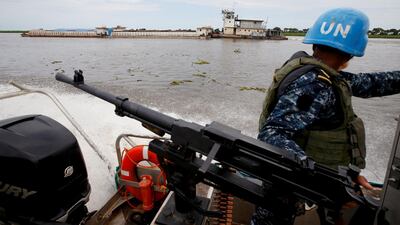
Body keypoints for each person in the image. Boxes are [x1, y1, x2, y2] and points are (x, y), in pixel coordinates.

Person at [252, 8, 400, 225]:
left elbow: (368, 83)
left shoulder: (318, 74)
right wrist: (326, 181)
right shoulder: (315, 84)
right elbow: (272, 133)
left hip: (297, 178)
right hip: (289, 183)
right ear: (351, 53)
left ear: (314, 44)